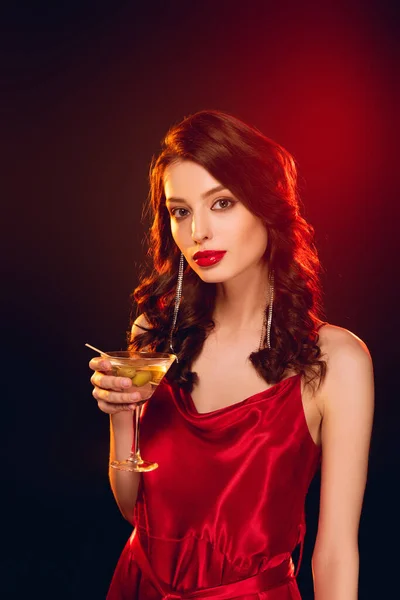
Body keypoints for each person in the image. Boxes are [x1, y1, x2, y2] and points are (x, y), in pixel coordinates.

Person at [89, 110, 374, 600]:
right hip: (138, 587)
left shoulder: (336, 361)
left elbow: (335, 550)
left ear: (267, 206)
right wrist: (122, 417)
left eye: (221, 202)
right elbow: (133, 510)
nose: (198, 231)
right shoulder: (154, 335)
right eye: (180, 211)